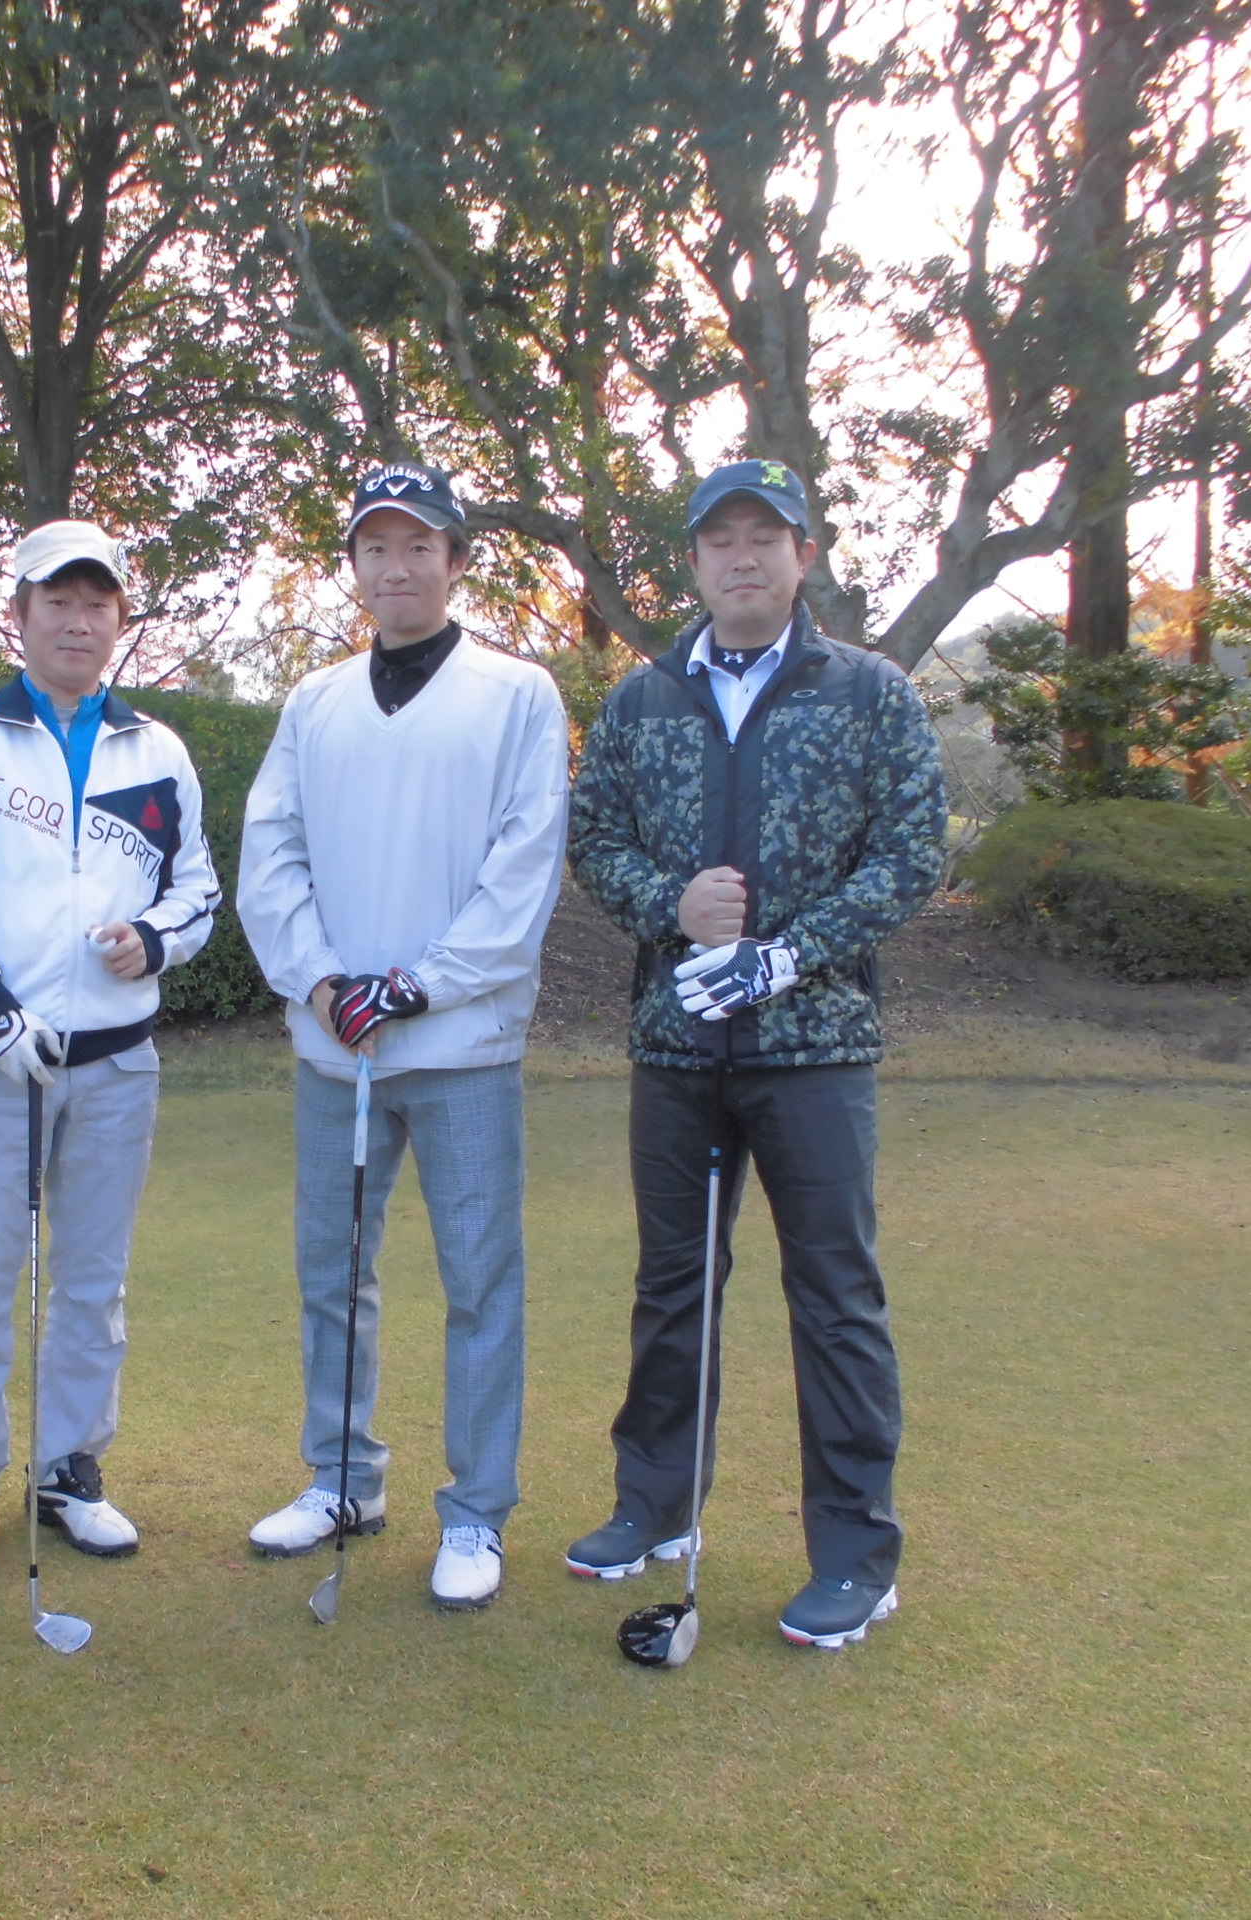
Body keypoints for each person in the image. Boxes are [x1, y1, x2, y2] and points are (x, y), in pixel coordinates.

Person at [564, 457, 945, 1648]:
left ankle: (856, 1554)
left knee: (835, 1297)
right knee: (671, 1287)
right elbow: (594, 838)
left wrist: (789, 955)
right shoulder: (642, 701)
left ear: (802, 556)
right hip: (678, 1049)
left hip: (813, 1051)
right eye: (720, 540)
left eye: (763, 538)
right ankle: (654, 1506)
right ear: (693, 561)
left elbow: (911, 852)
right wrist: (670, 908)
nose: (741, 557)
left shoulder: (869, 692)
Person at [237, 463, 570, 1612]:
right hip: (337, 1051)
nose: (396, 566)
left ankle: (475, 1512)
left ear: (455, 559)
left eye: (419, 544)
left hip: (462, 1049)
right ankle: (341, 1481)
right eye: (375, 547)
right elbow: (271, 854)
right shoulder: (314, 702)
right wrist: (322, 980)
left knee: (480, 1283)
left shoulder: (517, 694)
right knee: (331, 1273)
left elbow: (523, 868)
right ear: (354, 566)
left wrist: (419, 986)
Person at [0, 521, 221, 1576]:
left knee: (92, 1281)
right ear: (19, 614)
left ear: (120, 618)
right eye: (58, 601)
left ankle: (71, 1466)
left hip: (118, 1062)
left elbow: (199, 887)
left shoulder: (156, 750)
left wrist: (155, 937)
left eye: (97, 603)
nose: (79, 621)